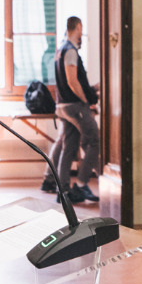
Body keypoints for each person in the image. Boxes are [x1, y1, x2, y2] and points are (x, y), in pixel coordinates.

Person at [47, 15, 101, 204]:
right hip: (74, 106)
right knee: (94, 140)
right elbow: (72, 81)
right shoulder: (70, 50)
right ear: (78, 27)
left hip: (62, 106)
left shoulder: (60, 50)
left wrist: (93, 89)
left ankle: (63, 191)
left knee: (69, 147)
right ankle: (81, 183)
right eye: (81, 29)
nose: (81, 33)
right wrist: (87, 101)